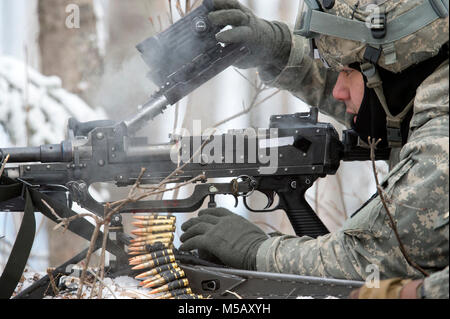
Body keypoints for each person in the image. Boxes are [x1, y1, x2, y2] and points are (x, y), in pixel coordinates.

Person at [179, 0, 449, 298]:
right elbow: (378, 100)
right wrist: (280, 50)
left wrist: (255, 251)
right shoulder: (424, 85)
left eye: (347, 72)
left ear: (396, 70)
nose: (338, 90)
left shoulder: (441, 142)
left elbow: (367, 263)